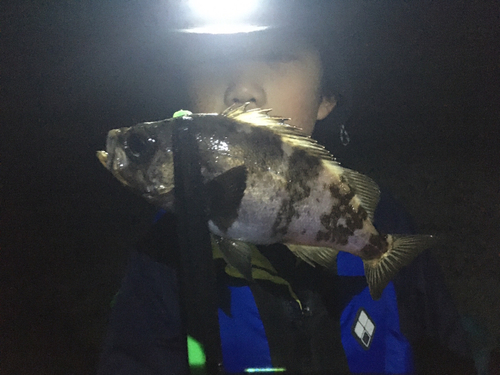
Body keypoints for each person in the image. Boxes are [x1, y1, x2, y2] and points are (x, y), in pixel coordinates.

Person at [97, 4, 476, 374]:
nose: (243, 89)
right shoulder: (162, 255)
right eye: (211, 57)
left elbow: (446, 346)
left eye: (276, 54)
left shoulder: (382, 218)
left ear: (327, 96)